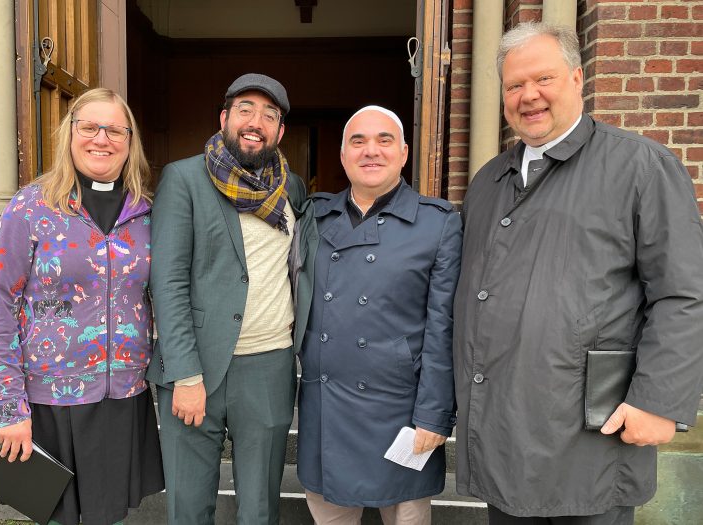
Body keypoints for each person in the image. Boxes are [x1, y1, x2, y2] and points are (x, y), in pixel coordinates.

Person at [454, 22, 703, 524]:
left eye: (542, 79)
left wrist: (659, 401)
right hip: (502, 433)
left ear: (576, 78)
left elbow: (684, 293)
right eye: (514, 85)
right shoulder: (487, 182)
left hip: (592, 436)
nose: (528, 96)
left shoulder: (641, 166)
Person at [0, 87, 164, 525]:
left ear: (130, 141)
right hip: (50, 400)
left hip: (122, 396)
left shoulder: (147, 213)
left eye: (115, 129)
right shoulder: (31, 207)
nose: (102, 138)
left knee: (107, 516)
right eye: (89, 127)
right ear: (69, 134)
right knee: (55, 515)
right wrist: (10, 407)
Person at [144, 73, 316, 524]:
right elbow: (168, 281)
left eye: (269, 115)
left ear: (280, 132)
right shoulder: (183, 179)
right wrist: (184, 373)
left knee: (260, 508)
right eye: (245, 109)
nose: (255, 121)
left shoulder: (292, 189)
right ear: (224, 118)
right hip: (195, 369)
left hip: (269, 366)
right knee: (190, 505)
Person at [297, 106, 462, 524]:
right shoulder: (313, 216)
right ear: (342, 155)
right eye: (358, 141)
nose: (371, 151)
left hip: (401, 412)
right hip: (326, 408)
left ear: (404, 153)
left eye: (384, 140)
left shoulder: (438, 223)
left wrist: (434, 414)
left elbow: (443, 328)